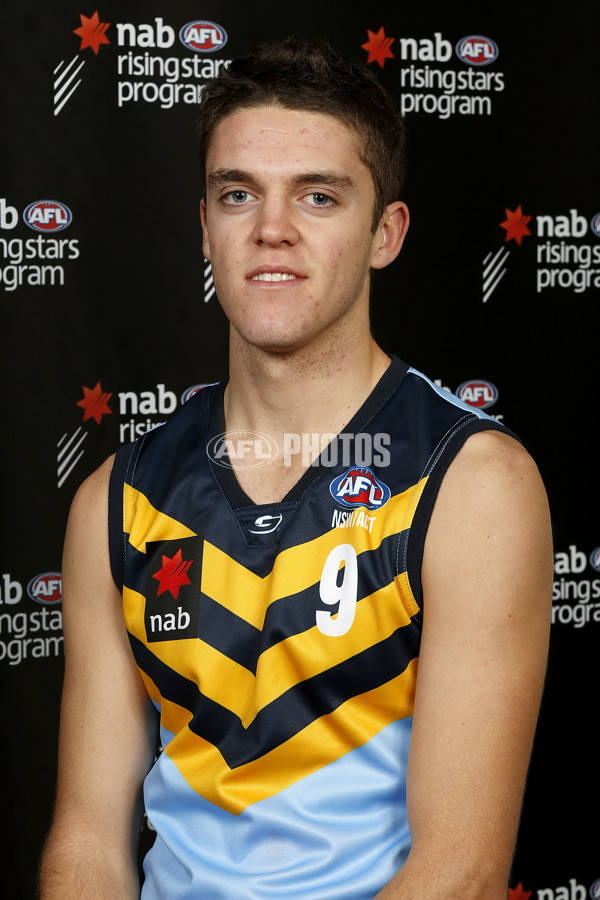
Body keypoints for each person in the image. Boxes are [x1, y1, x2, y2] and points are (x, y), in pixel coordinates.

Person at [39, 38, 553, 899]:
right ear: (206, 227)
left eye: (318, 196)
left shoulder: (472, 487)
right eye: (238, 194)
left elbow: (459, 873)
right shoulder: (116, 500)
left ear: (385, 233)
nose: (271, 229)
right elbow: (87, 844)